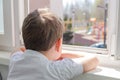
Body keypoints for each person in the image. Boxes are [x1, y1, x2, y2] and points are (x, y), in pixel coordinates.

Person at [7, 8, 99, 80]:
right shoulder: (54, 69)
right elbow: (94, 59)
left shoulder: (16, 60)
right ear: (58, 44)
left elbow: (18, 49)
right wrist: (61, 55)